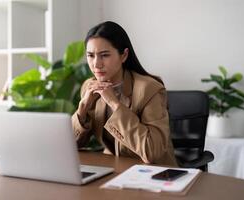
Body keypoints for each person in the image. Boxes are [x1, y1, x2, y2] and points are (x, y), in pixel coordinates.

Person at [72, 21, 177, 166]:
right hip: (114, 169)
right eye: (90, 55)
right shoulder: (89, 88)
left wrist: (114, 103)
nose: (96, 64)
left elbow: (151, 151)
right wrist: (82, 108)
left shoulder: (149, 89)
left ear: (124, 55)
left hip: (154, 174)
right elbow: (70, 146)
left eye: (104, 55)